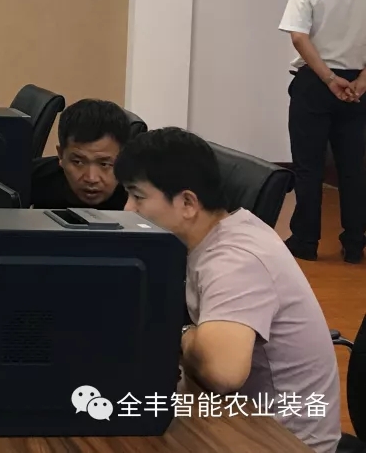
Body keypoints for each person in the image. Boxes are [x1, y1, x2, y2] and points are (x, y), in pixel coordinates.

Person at [116, 128, 340, 453]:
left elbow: (222, 372)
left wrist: (183, 333)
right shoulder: (216, 234)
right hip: (243, 419)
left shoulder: (235, 260)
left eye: (138, 196)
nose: (128, 209)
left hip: (286, 440)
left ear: (188, 203)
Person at [279, 0, 366, 263]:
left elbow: (299, 38)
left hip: (316, 83)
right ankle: (355, 242)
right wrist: (361, 82)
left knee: (308, 166)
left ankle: (305, 240)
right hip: (356, 87)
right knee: (353, 167)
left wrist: (329, 79)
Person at [29, 99, 130, 209]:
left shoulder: (136, 193)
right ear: (61, 155)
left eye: (104, 164)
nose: (91, 178)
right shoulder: (31, 178)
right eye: (78, 162)